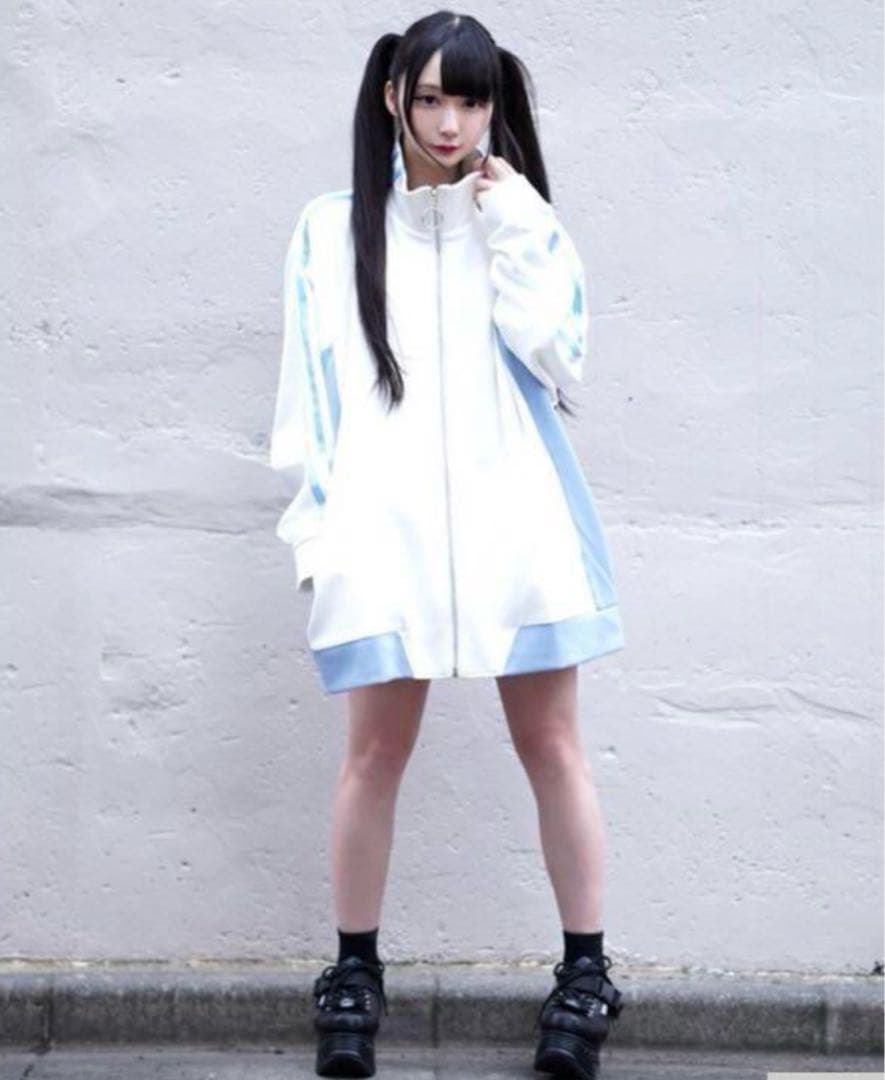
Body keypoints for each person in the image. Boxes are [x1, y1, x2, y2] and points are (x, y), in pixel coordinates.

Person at [269, 11, 626, 1079]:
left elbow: (561, 357)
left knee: (552, 747)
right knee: (373, 756)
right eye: (430, 97)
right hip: (384, 535)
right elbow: (308, 402)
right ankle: (353, 975)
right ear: (394, 98)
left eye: (470, 101)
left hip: (518, 525)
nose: (450, 122)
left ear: (491, 107)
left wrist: (512, 219)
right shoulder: (332, 230)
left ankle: (585, 976)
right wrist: (319, 540)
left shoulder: (518, 219)